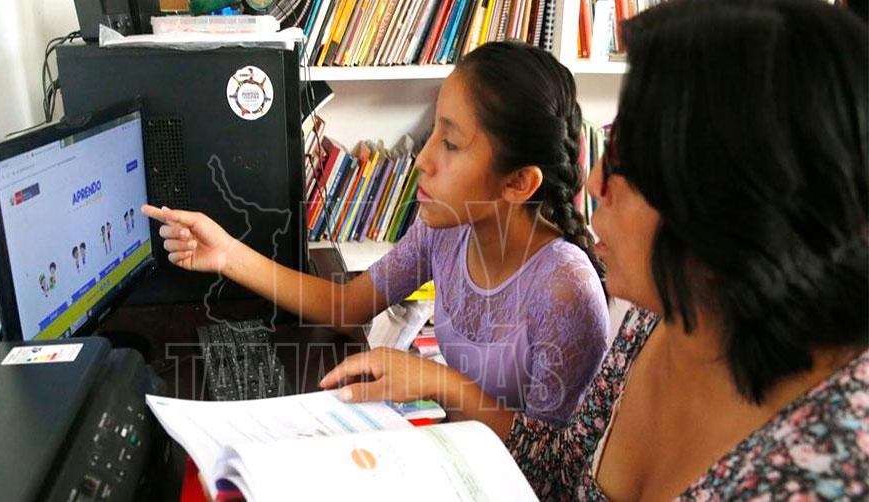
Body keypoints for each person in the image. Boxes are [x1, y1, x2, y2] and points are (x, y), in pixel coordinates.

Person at [322, 0, 869, 498]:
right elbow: (564, 468)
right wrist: (443, 384)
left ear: (732, 200)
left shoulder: (823, 469)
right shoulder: (658, 320)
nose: (593, 182)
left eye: (632, 162)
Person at [143, 41, 609, 422]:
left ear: (519, 183)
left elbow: (549, 467)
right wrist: (227, 253)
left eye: (450, 143)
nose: (422, 159)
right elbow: (348, 307)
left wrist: (438, 382)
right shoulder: (446, 232)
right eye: (433, 132)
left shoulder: (566, 290)